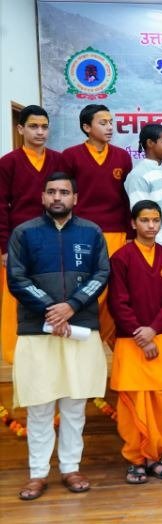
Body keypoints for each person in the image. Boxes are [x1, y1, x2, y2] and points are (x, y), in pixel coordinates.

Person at [8, 172, 108, 500]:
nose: (57, 197)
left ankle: (70, 468)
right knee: (39, 405)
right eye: (51, 192)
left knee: (74, 404)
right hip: (38, 330)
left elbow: (101, 274)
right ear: (42, 197)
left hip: (79, 329)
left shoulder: (91, 232)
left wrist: (72, 306)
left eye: (64, 192)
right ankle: (38, 474)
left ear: (75, 198)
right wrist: (53, 310)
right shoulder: (24, 233)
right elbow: (17, 278)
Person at [108, 200, 162, 484]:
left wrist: (153, 330)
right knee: (133, 404)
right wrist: (141, 335)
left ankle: (155, 456)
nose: (151, 226)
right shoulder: (121, 258)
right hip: (131, 341)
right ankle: (135, 460)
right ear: (133, 223)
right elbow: (118, 302)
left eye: (155, 220)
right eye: (145, 220)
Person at [62, 104, 133, 346]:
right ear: (86, 127)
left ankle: (113, 342)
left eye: (111, 122)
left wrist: (130, 234)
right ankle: (83, 340)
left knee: (115, 289)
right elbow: (64, 196)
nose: (110, 127)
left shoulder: (122, 156)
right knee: (87, 287)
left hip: (117, 232)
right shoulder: (70, 156)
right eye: (103, 123)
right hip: (81, 233)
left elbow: (127, 198)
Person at [0, 105, 65, 364]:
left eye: (44, 127)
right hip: (19, 240)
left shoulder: (58, 160)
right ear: (20, 129)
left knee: (53, 291)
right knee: (16, 294)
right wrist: (5, 247)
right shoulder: (8, 162)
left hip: (53, 237)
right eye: (33, 126)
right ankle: (13, 352)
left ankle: (53, 348)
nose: (40, 132)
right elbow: (1, 207)